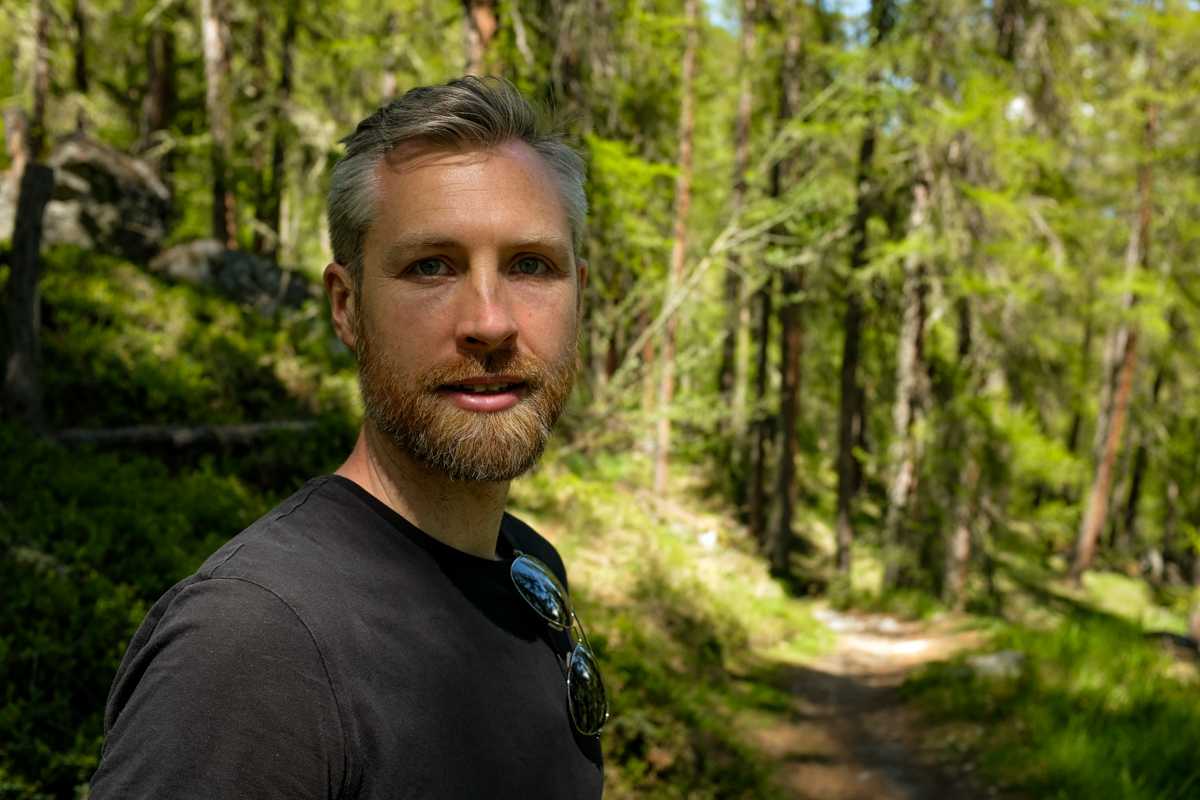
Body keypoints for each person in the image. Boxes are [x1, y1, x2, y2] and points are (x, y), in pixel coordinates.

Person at [89, 77, 606, 799]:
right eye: (431, 266)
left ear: (578, 295)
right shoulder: (252, 647)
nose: (490, 322)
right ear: (346, 307)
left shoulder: (529, 568)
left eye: (530, 266)